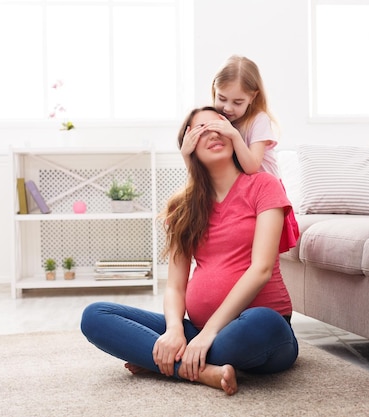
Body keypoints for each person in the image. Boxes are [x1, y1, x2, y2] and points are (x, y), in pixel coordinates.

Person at [81, 106, 298, 395]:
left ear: (234, 135)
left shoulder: (263, 186)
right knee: (96, 315)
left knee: (262, 321)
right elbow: (174, 286)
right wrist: (174, 331)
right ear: (188, 147)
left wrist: (207, 336)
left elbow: (261, 270)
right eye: (199, 129)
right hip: (198, 331)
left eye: (219, 125)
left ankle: (161, 362)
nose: (212, 132)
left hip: (256, 331)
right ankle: (200, 370)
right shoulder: (183, 206)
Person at [181, 55, 299, 252]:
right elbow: (203, 174)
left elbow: (252, 166)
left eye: (237, 102)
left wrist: (234, 136)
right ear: (214, 90)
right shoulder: (220, 119)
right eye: (222, 98)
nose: (228, 108)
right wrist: (187, 154)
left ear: (252, 97)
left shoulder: (258, 120)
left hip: (265, 195)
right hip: (239, 193)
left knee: (262, 251)